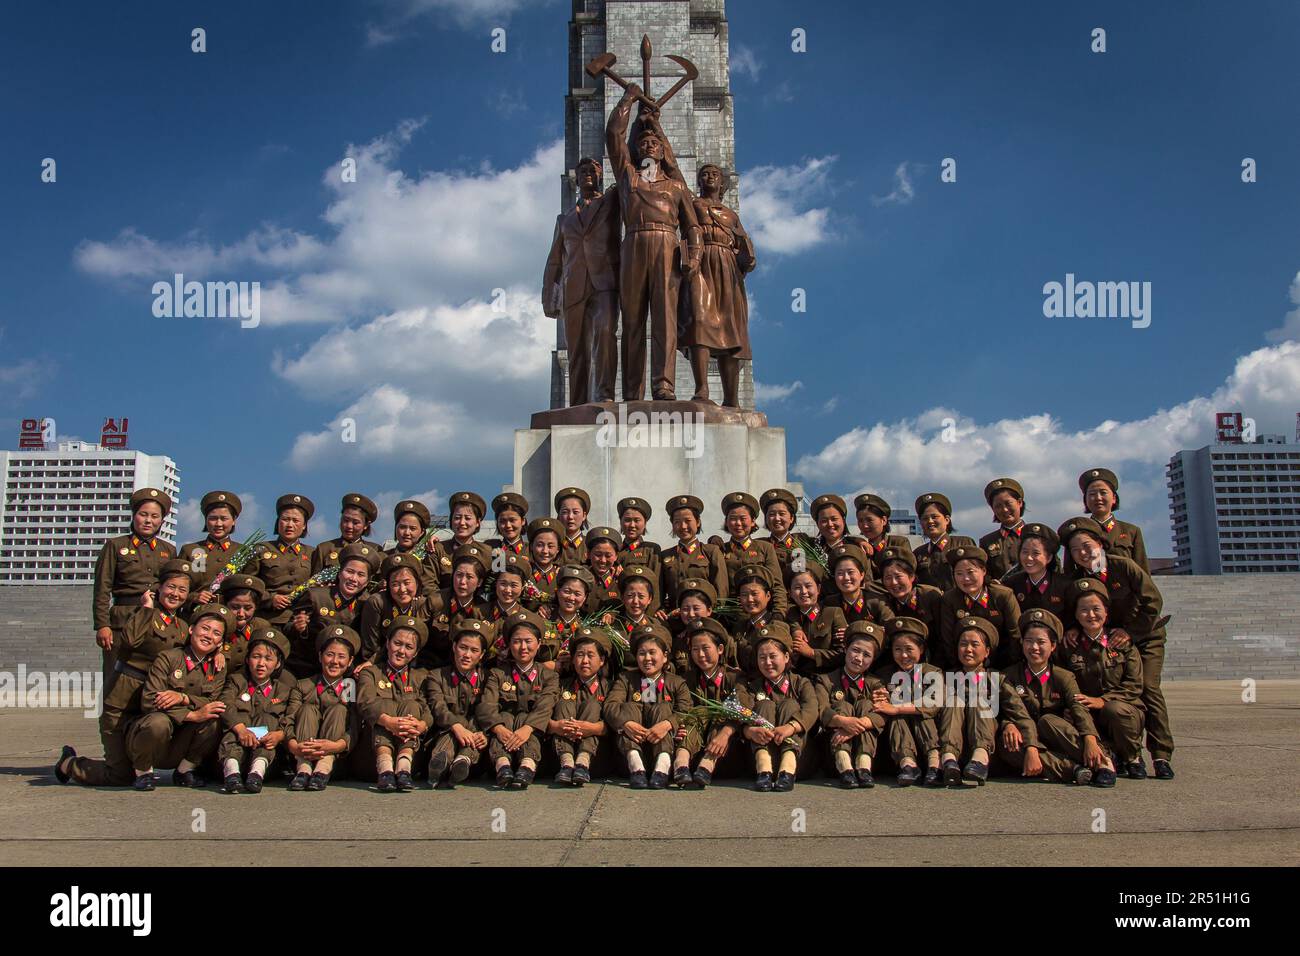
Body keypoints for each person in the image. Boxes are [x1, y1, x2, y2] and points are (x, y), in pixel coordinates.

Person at [58, 557, 195, 787]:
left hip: (150, 702)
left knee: (148, 743)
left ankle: (143, 767)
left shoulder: (182, 627)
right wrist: (145, 610)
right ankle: (69, 763)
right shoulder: (141, 614)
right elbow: (129, 641)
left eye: (182, 590)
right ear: (158, 587)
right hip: (123, 698)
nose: (175, 594)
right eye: (171, 587)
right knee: (119, 776)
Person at [605, 84, 702, 401]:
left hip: (666, 246)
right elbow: (613, 137)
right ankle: (633, 390)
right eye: (643, 142)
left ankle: (664, 384)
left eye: (654, 143)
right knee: (632, 320)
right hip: (633, 242)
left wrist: (695, 256)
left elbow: (692, 225)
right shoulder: (628, 177)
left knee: (665, 319)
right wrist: (628, 99)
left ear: (662, 151)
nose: (648, 145)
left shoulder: (675, 187)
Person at [1058, 516, 1174, 779]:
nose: (1083, 553)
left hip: (1145, 635)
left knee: (1148, 688)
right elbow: (1072, 609)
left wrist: (1131, 633)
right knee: (1110, 696)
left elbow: (1153, 601)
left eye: (1088, 546)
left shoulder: (1123, 566)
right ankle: (1124, 753)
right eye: (1076, 550)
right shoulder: (1077, 579)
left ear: (1100, 543)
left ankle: (1161, 754)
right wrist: (1074, 628)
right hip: (1109, 639)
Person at [998, 609, 1115, 787]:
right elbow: (1013, 710)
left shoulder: (1063, 677)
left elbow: (1079, 708)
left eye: (1041, 642)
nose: (1034, 648)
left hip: (1057, 735)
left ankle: (1103, 761)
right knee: (1008, 745)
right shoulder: (1009, 676)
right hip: (1027, 735)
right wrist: (1009, 724)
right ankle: (1074, 770)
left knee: (1049, 721)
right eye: (1029, 641)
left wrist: (1090, 738)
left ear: (1053, 646)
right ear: (1022, 643)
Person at [542, 155, 621, 405]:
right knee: (576, 350)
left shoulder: (612, 203)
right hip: (573, 287)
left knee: (606, 333)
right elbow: (554, 259)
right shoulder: (563, 219)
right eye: (583, 170)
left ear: (601, 176)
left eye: (593, 170)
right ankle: (577, 404)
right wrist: (548, 295)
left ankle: (604, 394)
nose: (588, 173)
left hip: (605, 282)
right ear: (576, 180)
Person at [129, 603, 232, 791]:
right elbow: (149, 699)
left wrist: (183, 698)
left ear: (220, 643)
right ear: (191, 629)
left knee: (213, 719)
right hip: (153, 736)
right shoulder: (168, 658)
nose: (209, 636)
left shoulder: (217, 667)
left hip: (182, 739)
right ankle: (143, 773)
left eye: (216, 634)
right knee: (157, 722)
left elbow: (214, 701)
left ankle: (185, 771)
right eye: (205, 629)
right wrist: (191, 715)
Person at [680, 163, 755, 406]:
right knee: (699, 321)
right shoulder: (692, 204)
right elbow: (673, 171)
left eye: (714, 174)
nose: (709, 177)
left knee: (730, 330)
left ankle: (731, 399)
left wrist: (746, 253)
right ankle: (702, 390)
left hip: (727, 268)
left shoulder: (731, 215)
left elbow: (746, 247)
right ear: (698, 182)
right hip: (701, 263)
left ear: (722, 183)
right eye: (704, 174)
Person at [1059, 578, 1148, 779]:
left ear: (1107, 613)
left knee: (1114, 709)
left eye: (1096, 609)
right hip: (1085, 708)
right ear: (1075, 614)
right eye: (1083, 610)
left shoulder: (1122, 643)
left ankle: (1132, 756)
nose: (1090, 615)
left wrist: (1102, 701)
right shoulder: (1068, 646)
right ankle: (1106, 760)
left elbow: (1134, 686)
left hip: (1123, 708)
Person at [92, 487, 177, 681]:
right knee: (115, 677)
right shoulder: (116, 546)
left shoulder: (168, 550)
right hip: (124, 618)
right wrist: (102, 625)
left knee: (154, 677)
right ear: (134, 516)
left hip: (156, 617)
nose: (148, 520)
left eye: (155, 516)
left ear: (161, 521)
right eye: (143, 514)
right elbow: (102, 588)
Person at [477, 609, 559, 789]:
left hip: (534, 741)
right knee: (505, 718)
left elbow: (545, 707)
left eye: (528, 641)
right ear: (508, 645)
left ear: (539, 644)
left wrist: (527, 729)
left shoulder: (548, 676)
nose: (523, 648)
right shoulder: (497, 674)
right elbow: (486, 705)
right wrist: (498, 729)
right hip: (502, 738)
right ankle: (502, 766)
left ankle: (527, 766)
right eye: (516, 642)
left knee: (525, 719)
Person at [605, 624, 690, 789]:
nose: (647, 658)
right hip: (631, 752)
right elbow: (610, 706)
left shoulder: (676, 682)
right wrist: (625, 724)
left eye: (652, 653)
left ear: (665, 656)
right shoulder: (626, 679)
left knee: (663, 709)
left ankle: (662, 768)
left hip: (665, 747)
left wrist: (667, 724)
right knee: (628, 708)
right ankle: (636, 768)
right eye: (642, 653)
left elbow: (685, 709)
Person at [356, 616, 432, 793]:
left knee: (412, 706)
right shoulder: (371, 673)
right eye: (397, 643)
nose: (401, 651)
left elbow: (429, 709)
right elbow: (365, 703)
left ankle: (403, 768)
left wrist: (422, 725)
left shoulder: (421, 676)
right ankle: (385, 769)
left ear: (415, 653)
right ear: (388, 643)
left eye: (409, 647)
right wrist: (388, 722)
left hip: (411, 751)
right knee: (383, 706)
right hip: (371, 753)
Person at [741, 622, 818, 792]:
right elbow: (741, 714)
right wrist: (750, 731)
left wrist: (791, 727)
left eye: (773, 656)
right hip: (759, 757)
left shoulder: (801, 683)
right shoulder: (752, 687)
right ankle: (764, 770)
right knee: (765, 705)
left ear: (786, 657)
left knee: (790, 704)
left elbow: (811, 710)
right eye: (762, 657)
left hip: (798, 758)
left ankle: (787, 770)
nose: (767, 662)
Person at [217, 626, 294, 794]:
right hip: (233, 750)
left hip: (267, 759)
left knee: (268, 720)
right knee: (234, 725)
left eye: (268, 658)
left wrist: (279, 735)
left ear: (278, 663)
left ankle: (256, 774)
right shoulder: (236, 681)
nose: (261, 664)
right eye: (256, 656)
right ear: (247, 659)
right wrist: (241, 730)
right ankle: (231, 773)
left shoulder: (284, 690)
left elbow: (291, 717)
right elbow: (225, 705)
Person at [285, 624, 360, 792]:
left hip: (335, 758)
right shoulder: (303, 685)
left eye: (341, 656)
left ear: (350, 661)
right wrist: (293, 746)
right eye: (330, 655)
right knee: (306, 709)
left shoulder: (350, 687)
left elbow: (354, 725)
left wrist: (337, 746)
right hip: (301, 754)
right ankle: (303, 769)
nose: (335, 661)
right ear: (320, 656)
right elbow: (288, 719)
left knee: (339, 709)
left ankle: (322, 768)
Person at [288, 541, 376, 678]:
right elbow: (287, 629)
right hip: (308, 669)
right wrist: (298, 629)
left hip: (346, 673)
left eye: (361, 575)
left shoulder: (368, 603)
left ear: (367, 582)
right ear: (340, 573)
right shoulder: (316, 596)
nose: (353, 579)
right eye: (349, 571)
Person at [422, 620, 493, 788]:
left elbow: (490, 709)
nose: (467, 655)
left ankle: (462, 762)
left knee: (474, 726)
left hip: (477, 740)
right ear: (454, 647)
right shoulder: (436, 676)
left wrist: (485, 734)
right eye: (463, 647)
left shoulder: (489, 678)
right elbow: (438, 706)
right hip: (443, 734)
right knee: (451, 731)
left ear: (482, 655)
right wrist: (456, 726)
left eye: (474, 650)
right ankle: (439, 763)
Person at [873, 617, 943, 787]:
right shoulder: (884, 674)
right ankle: (908, 764)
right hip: (901, 737)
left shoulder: (932, 672)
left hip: (929, 732)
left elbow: (933, 704)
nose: (903, 655)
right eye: (897, 649)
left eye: (909, 649)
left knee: (918, 714)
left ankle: (935, 764)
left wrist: (897, 708)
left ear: (921, 649)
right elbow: (880, 699)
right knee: (897, 718)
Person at [818, 621, 887, 789]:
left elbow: (882, 714)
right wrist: (842, 722)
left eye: (866, 655)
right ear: (846, 649)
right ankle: (845, 768)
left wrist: (857, 724)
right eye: (855, 650)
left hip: (871, 755)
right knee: (842, 707)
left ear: (873, 660)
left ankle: (864, 768)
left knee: (866, 705)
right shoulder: (826, 680)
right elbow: (820, 710)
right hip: (833, 753)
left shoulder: (876, 684)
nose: (859, 658)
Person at [677, 617, 743, 787]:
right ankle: (681, 765)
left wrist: (726, 733)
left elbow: (742, 711)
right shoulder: (687, 679)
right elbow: (682, 709)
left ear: (720, 649)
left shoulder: (734, 678)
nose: (700, 655)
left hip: (727, 751)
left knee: (719, 718)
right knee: (694, 716)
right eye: (695, 649)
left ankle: (706, 767)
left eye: (706, 648)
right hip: (695, 747)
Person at [937, 617, 1001, 787]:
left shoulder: (996, 679)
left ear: (987, 651)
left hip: (987, 745)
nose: (968, 649)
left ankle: (980, 760)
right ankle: (948, 762)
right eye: (963, 644)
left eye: (975, 644)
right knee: (954, 702)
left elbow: (1016, 711)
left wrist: (1012, 726)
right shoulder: (944, 677)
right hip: (950, 743)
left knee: (977, 700)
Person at [939, 544, 1021, 672]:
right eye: (959, 573)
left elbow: (1015, 636)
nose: (966, 579)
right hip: (964, 668)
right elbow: (948, 640)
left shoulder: (1003, 596)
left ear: (983, 571)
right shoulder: (949, 600)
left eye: (971, 572)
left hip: (1004, 664)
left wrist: (1007, 670)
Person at [549, 626, 612, 786]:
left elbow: (617, 722)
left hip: (596, 758)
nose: (584, 661)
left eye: (591, 655)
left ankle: (583, 761)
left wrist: (593, 728)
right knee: (564, 704)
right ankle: (567, 763)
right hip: (559, 755)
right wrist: (556, 726)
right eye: (580, 655)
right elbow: (540, 714)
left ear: (602, 660)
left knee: (592, 705)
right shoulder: (560, 684)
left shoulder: (611, 687)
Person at [178, 490, 254, 609]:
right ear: (206, 519)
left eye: (224, 519)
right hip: (195, 615)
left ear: (234, 520)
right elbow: (176, 585)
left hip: (230, 616)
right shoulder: (191, 550)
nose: (218, 523)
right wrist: (194, 597)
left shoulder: (243, 552)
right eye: (213, 518)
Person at [356, 552, 433, 665]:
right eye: (395, 584)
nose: (402, 589)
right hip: (379, 663)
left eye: (407, 583)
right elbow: (370, 646)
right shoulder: (377, 603)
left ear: (417, 583)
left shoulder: (424, 604)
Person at [876, 547, 943, 670]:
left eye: (898, 576)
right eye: (888, 578)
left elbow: (941, 637)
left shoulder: (930, 596)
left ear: (912, 576)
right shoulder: (886, 602)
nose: (894, 583)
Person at [1071, 468, 1150, 574]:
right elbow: (1069, 574)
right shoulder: (1075, 533)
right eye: (1092, 494)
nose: (1098, 498)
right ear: (1085, 500)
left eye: (1103, 492)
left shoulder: (1131, 531)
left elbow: (1142, 572)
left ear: (1114, 498)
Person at [720, 492, 789, 614]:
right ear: (726, 522)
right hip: (731, 615)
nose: (738, 523)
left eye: (742, 518)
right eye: (733, 519)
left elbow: (777, 586)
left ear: (752, 521)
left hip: (762, 613)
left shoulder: (765, 548)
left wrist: (779, 614)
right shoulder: (719, 549)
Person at [256, 494, 315, 630]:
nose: (290, 525)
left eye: (296, 520)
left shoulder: (313, 553)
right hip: (266, 620)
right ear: (278, 522)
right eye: (285, 519)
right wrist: (270, 599)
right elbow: (249, 585)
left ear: (304, 525)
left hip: (299, 622)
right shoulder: (261, 549)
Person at [660, 495, 729, 611]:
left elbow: (721, 589)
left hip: (705, 617)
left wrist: (716, 613)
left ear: (697, 522)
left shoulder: (711, 552)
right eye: (677, 522)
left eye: (688, 521)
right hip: (675, 619)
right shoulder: (665, 555)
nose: (683, 526)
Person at [785, 562, 848, 680]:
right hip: (797, 680)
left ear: (818, 589)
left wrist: (812, 653)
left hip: (828, 679)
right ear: (790, 593)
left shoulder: (833, 613)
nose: (804, 592)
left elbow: (843, 654)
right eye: (797, 588)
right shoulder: (789, 616)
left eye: (808, 586)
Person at [911, 493, 975, 593]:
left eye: (934, 516)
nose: (930, 521)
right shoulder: (918, 553)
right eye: (925, 518)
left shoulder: (963, 543)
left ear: (947, 520)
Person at [1001, 523, 1070, 615]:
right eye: (1025, 552)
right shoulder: (1010, 585)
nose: (1029, 558)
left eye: (1036, 553)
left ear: (1049, 557)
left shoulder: (1065, 585)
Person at [310, 494, 382, 575]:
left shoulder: (375, 550)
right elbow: (313, 583)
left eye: (355, 522)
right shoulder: (324, 549)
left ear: (366, 525)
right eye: (346, 520)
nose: (349, 526)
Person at [384, 499, 443, 594]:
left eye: (413, 528)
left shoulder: (429, 556)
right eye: (402, 527)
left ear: (422, 532)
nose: (407, 533)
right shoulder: (384, 556)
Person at [217, 574, 272, 673]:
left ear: (256, 607)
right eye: (235, 607)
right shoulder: (215, 626)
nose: (241, 614)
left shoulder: (262, 628)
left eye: (247, 608)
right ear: (225, 604)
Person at [978, 478, 1028, 581]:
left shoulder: (1036, 535)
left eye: (1008, 503)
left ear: (1019, 502)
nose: (1004, 510)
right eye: (998, 506)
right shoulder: (987, 542)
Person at [759, 487, 811, 582]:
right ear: (766, 519)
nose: (777, 518)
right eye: (771, 514)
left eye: (782, 514)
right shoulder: (759, 545)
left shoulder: (804, 541)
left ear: (791, 518)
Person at [853, 493, 911, 575]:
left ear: (883, 520)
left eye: (869, 520)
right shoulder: (862, 547)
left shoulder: (899, 543)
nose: (865, 525)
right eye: (860, 521)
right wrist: (858, 540)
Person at [616, 497, 662, 580]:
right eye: (627, 520)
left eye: (637, 520)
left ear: (645, 523)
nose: (632, 525)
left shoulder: (651, 550)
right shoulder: (615, 550)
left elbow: (656, 584)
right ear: (620, 521)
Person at [554, 486, 592, 565]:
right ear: (558, 515)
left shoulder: (590, 546)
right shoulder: (551, 545)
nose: (570, 517)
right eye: (565, 512)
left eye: (575, 512)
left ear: (584, 516)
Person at [487, 492, 530, 556]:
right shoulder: (488, 549)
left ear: (523, 520)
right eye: (502, 521)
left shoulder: (532, 551)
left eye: (512, 520)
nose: (508, 525)